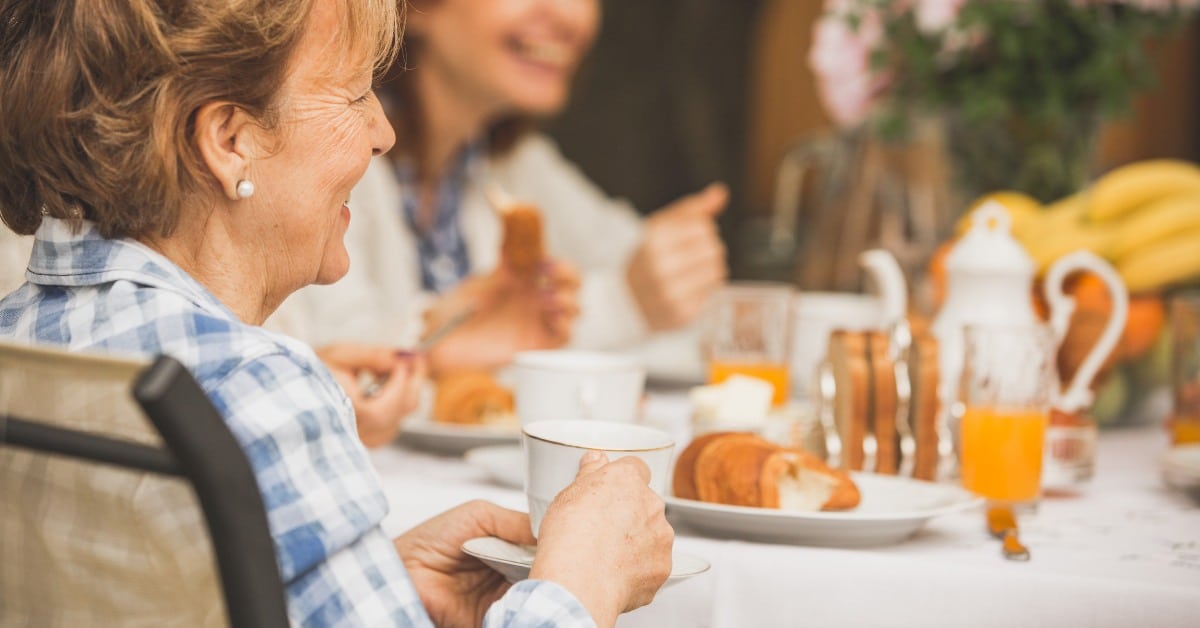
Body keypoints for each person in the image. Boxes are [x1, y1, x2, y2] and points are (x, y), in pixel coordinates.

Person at [0, 1, 673, 626]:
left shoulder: (17, 337)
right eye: (354, 96)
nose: (381, 133)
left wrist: (374, 583)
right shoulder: (256, 387)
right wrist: (580, 582)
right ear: (230, 139)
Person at [269, 0, 729, 370]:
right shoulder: (328, 149)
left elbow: (638, 263)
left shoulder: (515, 166)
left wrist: (674, 271)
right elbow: (332, 357)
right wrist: (625, 303)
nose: (571, 15)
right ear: (412, 7)